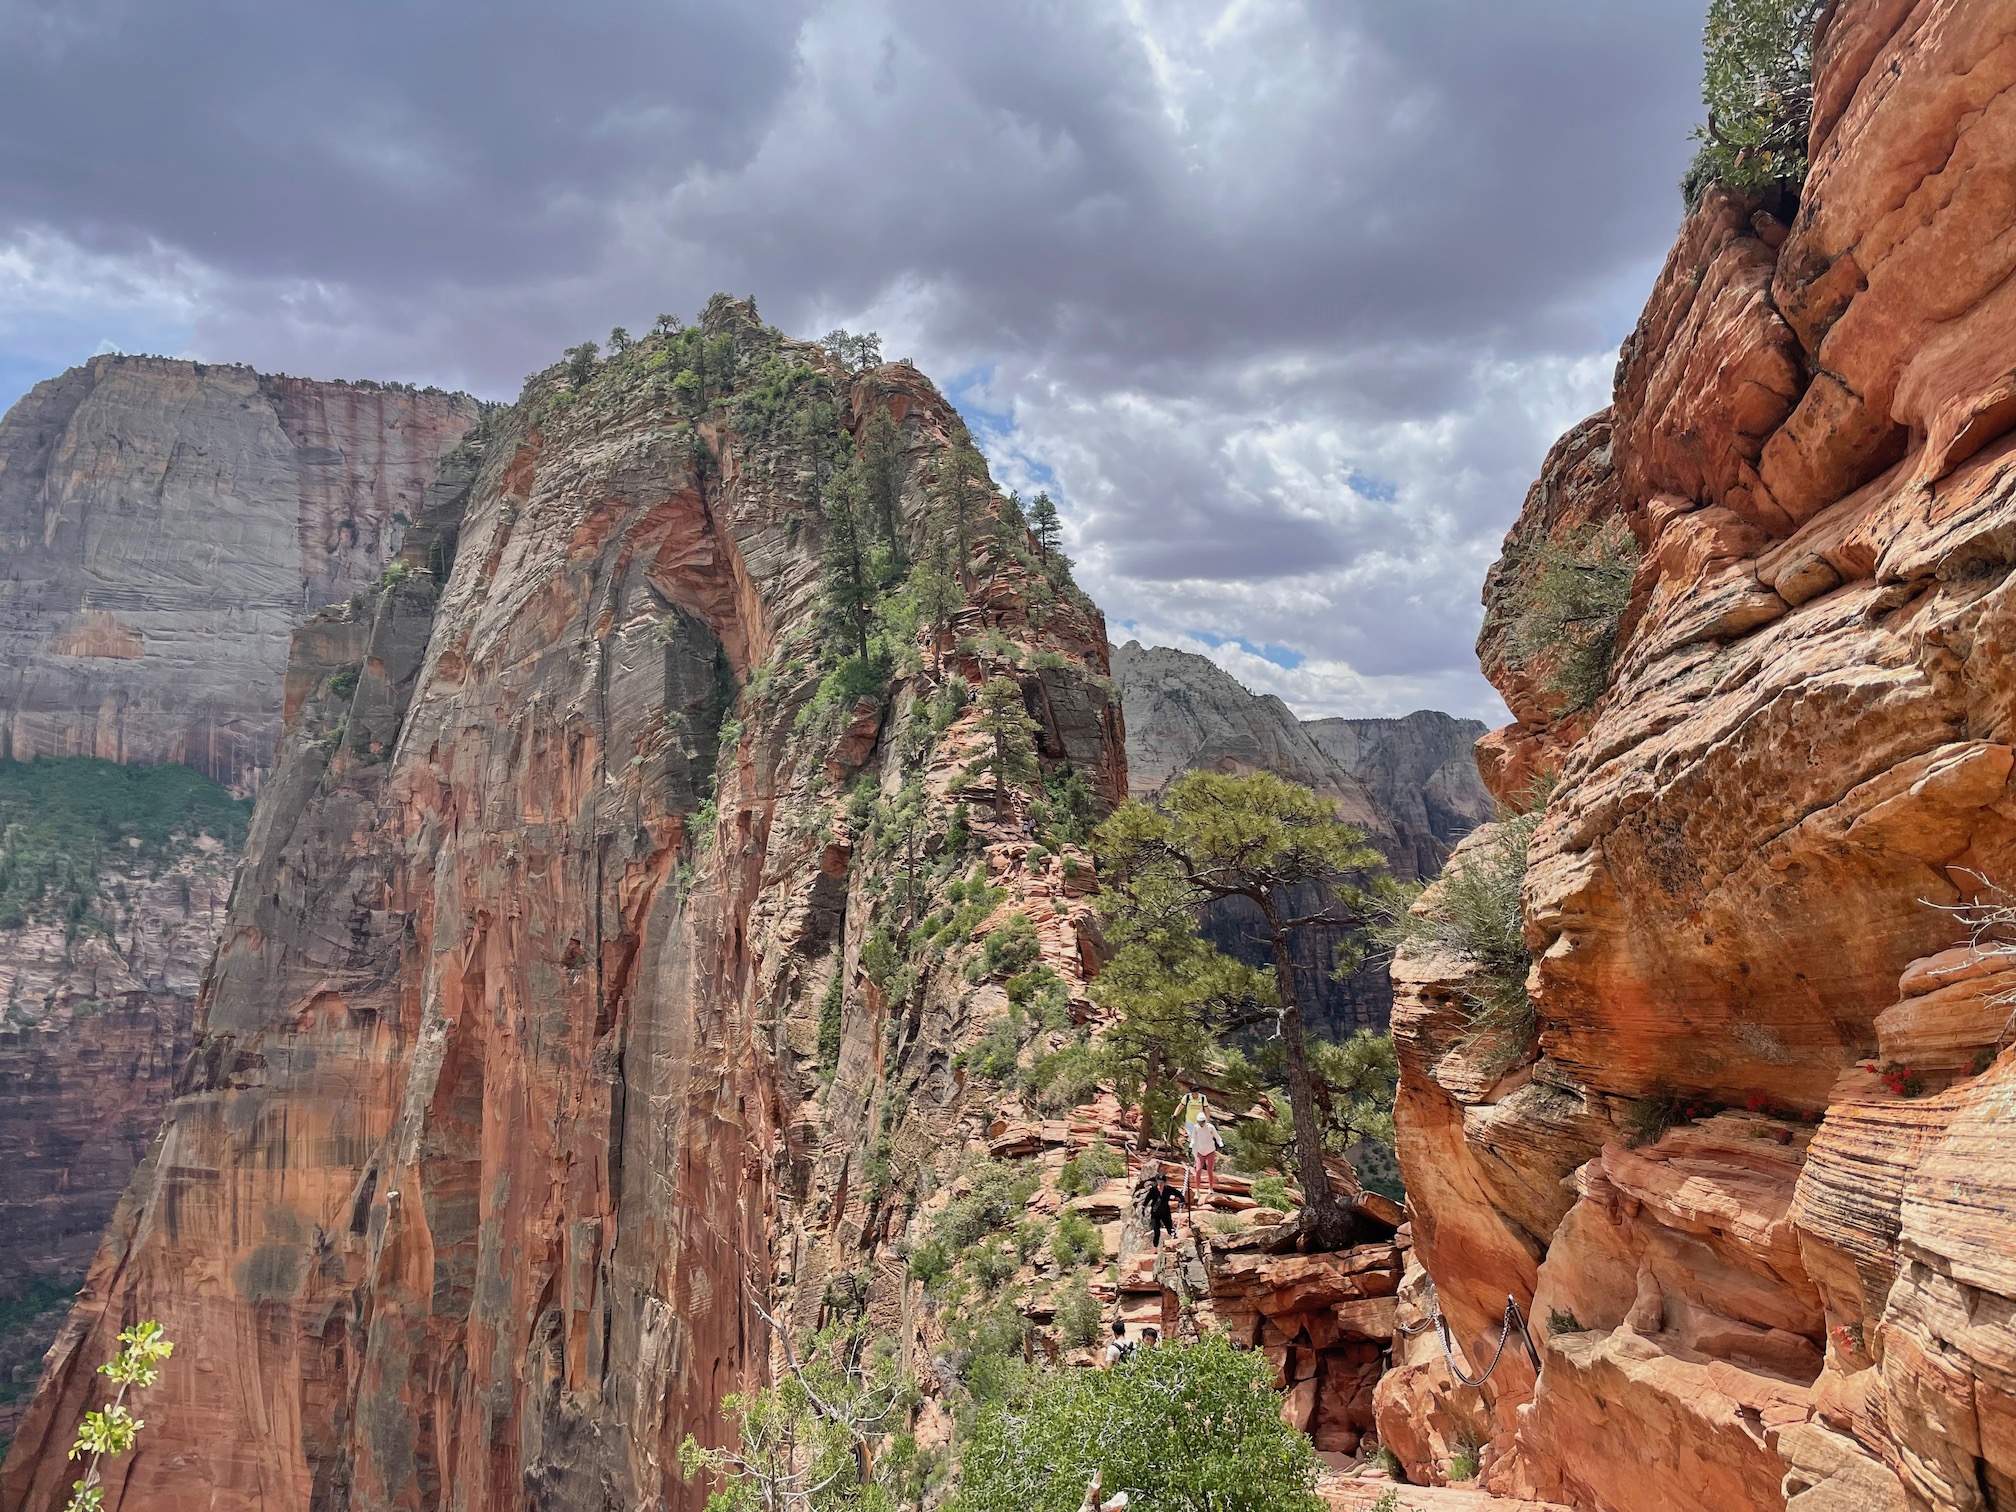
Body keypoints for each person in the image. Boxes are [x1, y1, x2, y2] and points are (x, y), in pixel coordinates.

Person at [1137, 1165, 1188, 1249]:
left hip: (1165, 1212)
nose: (1160, 1184)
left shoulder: (1168, 1189)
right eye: (1159, 1182)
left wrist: (1182, 1200)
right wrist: (1143, 1207)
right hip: (1155, 1213)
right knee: (1156, 1231)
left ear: (1165, 1182)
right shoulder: (1153, 1190)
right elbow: (1147, 1199)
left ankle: (1174, 1243)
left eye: (1162, 1182)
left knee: (1170, 1228)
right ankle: (1155, 1248)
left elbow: (1178, 1193)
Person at [1187, 1113, 1223, 1193]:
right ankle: (1197, 1189)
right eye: (1200, 1122)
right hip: (1200, 1151)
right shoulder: (1196, 1127)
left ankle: (1210, 1188)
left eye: (1202, 1122)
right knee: (1198, 1170)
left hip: (1210, 1151)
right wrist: (1190, 1147)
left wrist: (1221, 1145)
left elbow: (1217, 1137)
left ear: (1205, 1121)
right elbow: (1193, 1138)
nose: (1201, 1124)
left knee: (1209, 1171)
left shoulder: (1210, 1127)